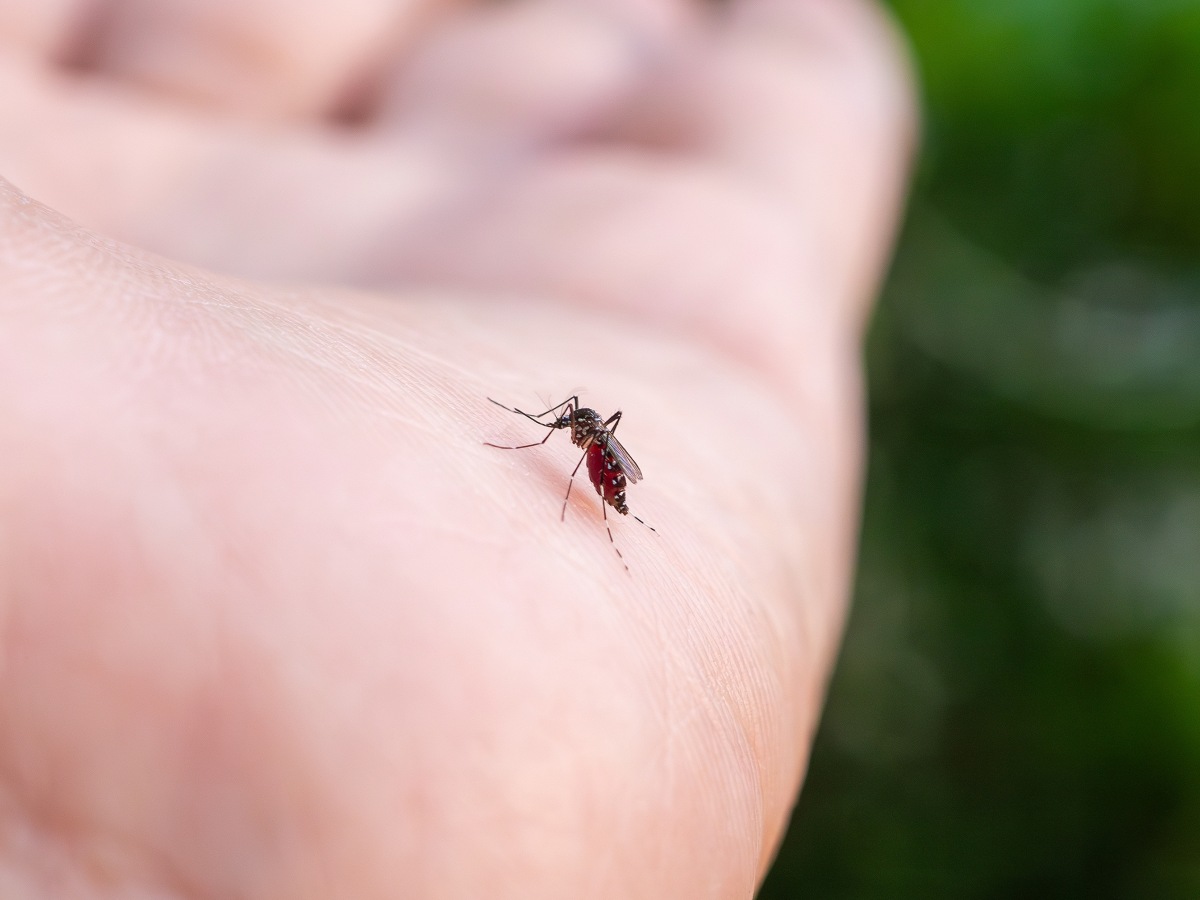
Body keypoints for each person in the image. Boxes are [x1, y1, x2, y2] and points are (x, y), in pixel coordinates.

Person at [0, 0, 913, 895]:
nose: (585, 436)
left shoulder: (595, 445)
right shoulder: (600, 417)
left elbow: (598, 448)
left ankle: (599, 509)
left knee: (589, 468)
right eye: (584, 434)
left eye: (583, 433)